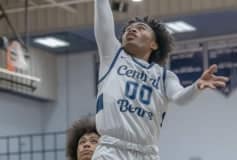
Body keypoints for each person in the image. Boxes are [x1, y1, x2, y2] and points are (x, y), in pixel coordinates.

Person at [93, 0, 229, 159]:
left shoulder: (165, 76)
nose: (132, 30)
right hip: (112, 150)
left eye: (140, 28)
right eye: (129, 29)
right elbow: (103, 17)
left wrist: (196, 86)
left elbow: (180, 98)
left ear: (154, 44)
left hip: (147, 153)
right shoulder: (113, 57)